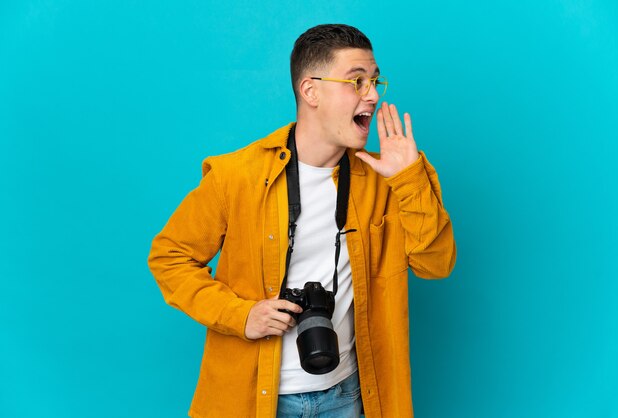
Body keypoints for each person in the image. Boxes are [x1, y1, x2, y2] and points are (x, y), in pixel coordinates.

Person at [148, 23, 456, 418]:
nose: (373, 95)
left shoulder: (389, 179)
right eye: (356, 81)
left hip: (347, 395)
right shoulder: (236, 176)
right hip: (253, 398)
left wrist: (409, 178)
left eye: (375, 81)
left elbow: (436, 265)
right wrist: (240, 315)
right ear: (311, 91)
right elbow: (169, 257)